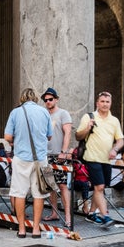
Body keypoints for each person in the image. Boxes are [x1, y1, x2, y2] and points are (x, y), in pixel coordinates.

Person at [4, 88, 53, 238]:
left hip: (21, 157)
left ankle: (22, 229)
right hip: (41, 159)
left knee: (20, 193)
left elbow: (7, 136)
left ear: (22, 99)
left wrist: (17, 140)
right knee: (39, 195)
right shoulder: (44, 112)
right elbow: (49, 136)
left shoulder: (15, 112)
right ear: (36, 99)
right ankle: (36, 229)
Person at [75, 91, 124, 228]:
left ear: (110, 103)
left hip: (107, 160)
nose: (104, 104)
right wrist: (87, 128)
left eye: (107, 102)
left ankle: (91, 214)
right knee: (99, 187)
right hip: (92, 157)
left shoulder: (114, 121)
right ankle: (105, 216)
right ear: (97, 103)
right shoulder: (89, 117)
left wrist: (115, 149)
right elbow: (78, 136)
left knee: (101, 189)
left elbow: (120, 140)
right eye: (102, 101)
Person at [40, 87, 73, 229]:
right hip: (45, 155)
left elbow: (68, 133)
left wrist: (64, 151)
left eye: (50, 99)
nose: (48, 102)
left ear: (56, 99)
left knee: (63, 185)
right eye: (45, 100)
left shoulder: (63, 113)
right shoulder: (43, 115)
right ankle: (54, 213)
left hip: (59, 155)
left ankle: (68, 217)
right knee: (50, 186)